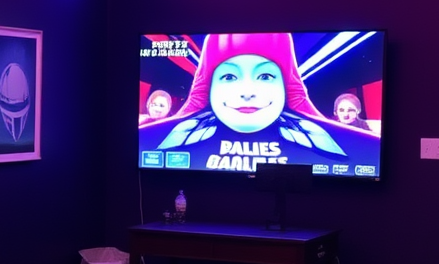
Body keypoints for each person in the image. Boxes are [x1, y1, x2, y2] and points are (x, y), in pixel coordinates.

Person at [151, 32, 380, 169]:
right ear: (208, 89)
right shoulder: (154, 139)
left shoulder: (357, 146)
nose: (248, 92)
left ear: (286, 87)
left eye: (265, 76)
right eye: (229, 76)